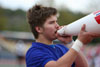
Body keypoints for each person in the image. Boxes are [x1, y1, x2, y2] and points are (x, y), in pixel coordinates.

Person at [26, 5, 100, 67]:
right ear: (39, 29)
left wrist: (70, 43)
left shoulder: (62, 48)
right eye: (51, 23)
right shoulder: (34, 52)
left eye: (56, 22)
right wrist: (79, 42)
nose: (57, 26)